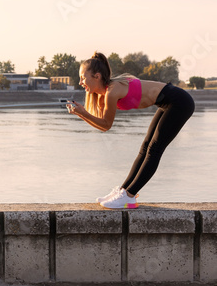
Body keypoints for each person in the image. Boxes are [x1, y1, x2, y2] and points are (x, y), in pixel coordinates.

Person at [66, 52, 194, 209]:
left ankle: (129, 197)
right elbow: (103, 126)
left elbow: (106, 124)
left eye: (83, 78)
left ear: (97, 76)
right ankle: (123, 191)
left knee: (154, 149)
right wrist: (81, 114)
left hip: (179, 102)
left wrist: (83, 113)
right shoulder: (104, 93)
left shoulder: (112, 91)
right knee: (145, 147)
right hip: (167, 102)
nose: (80, 82)